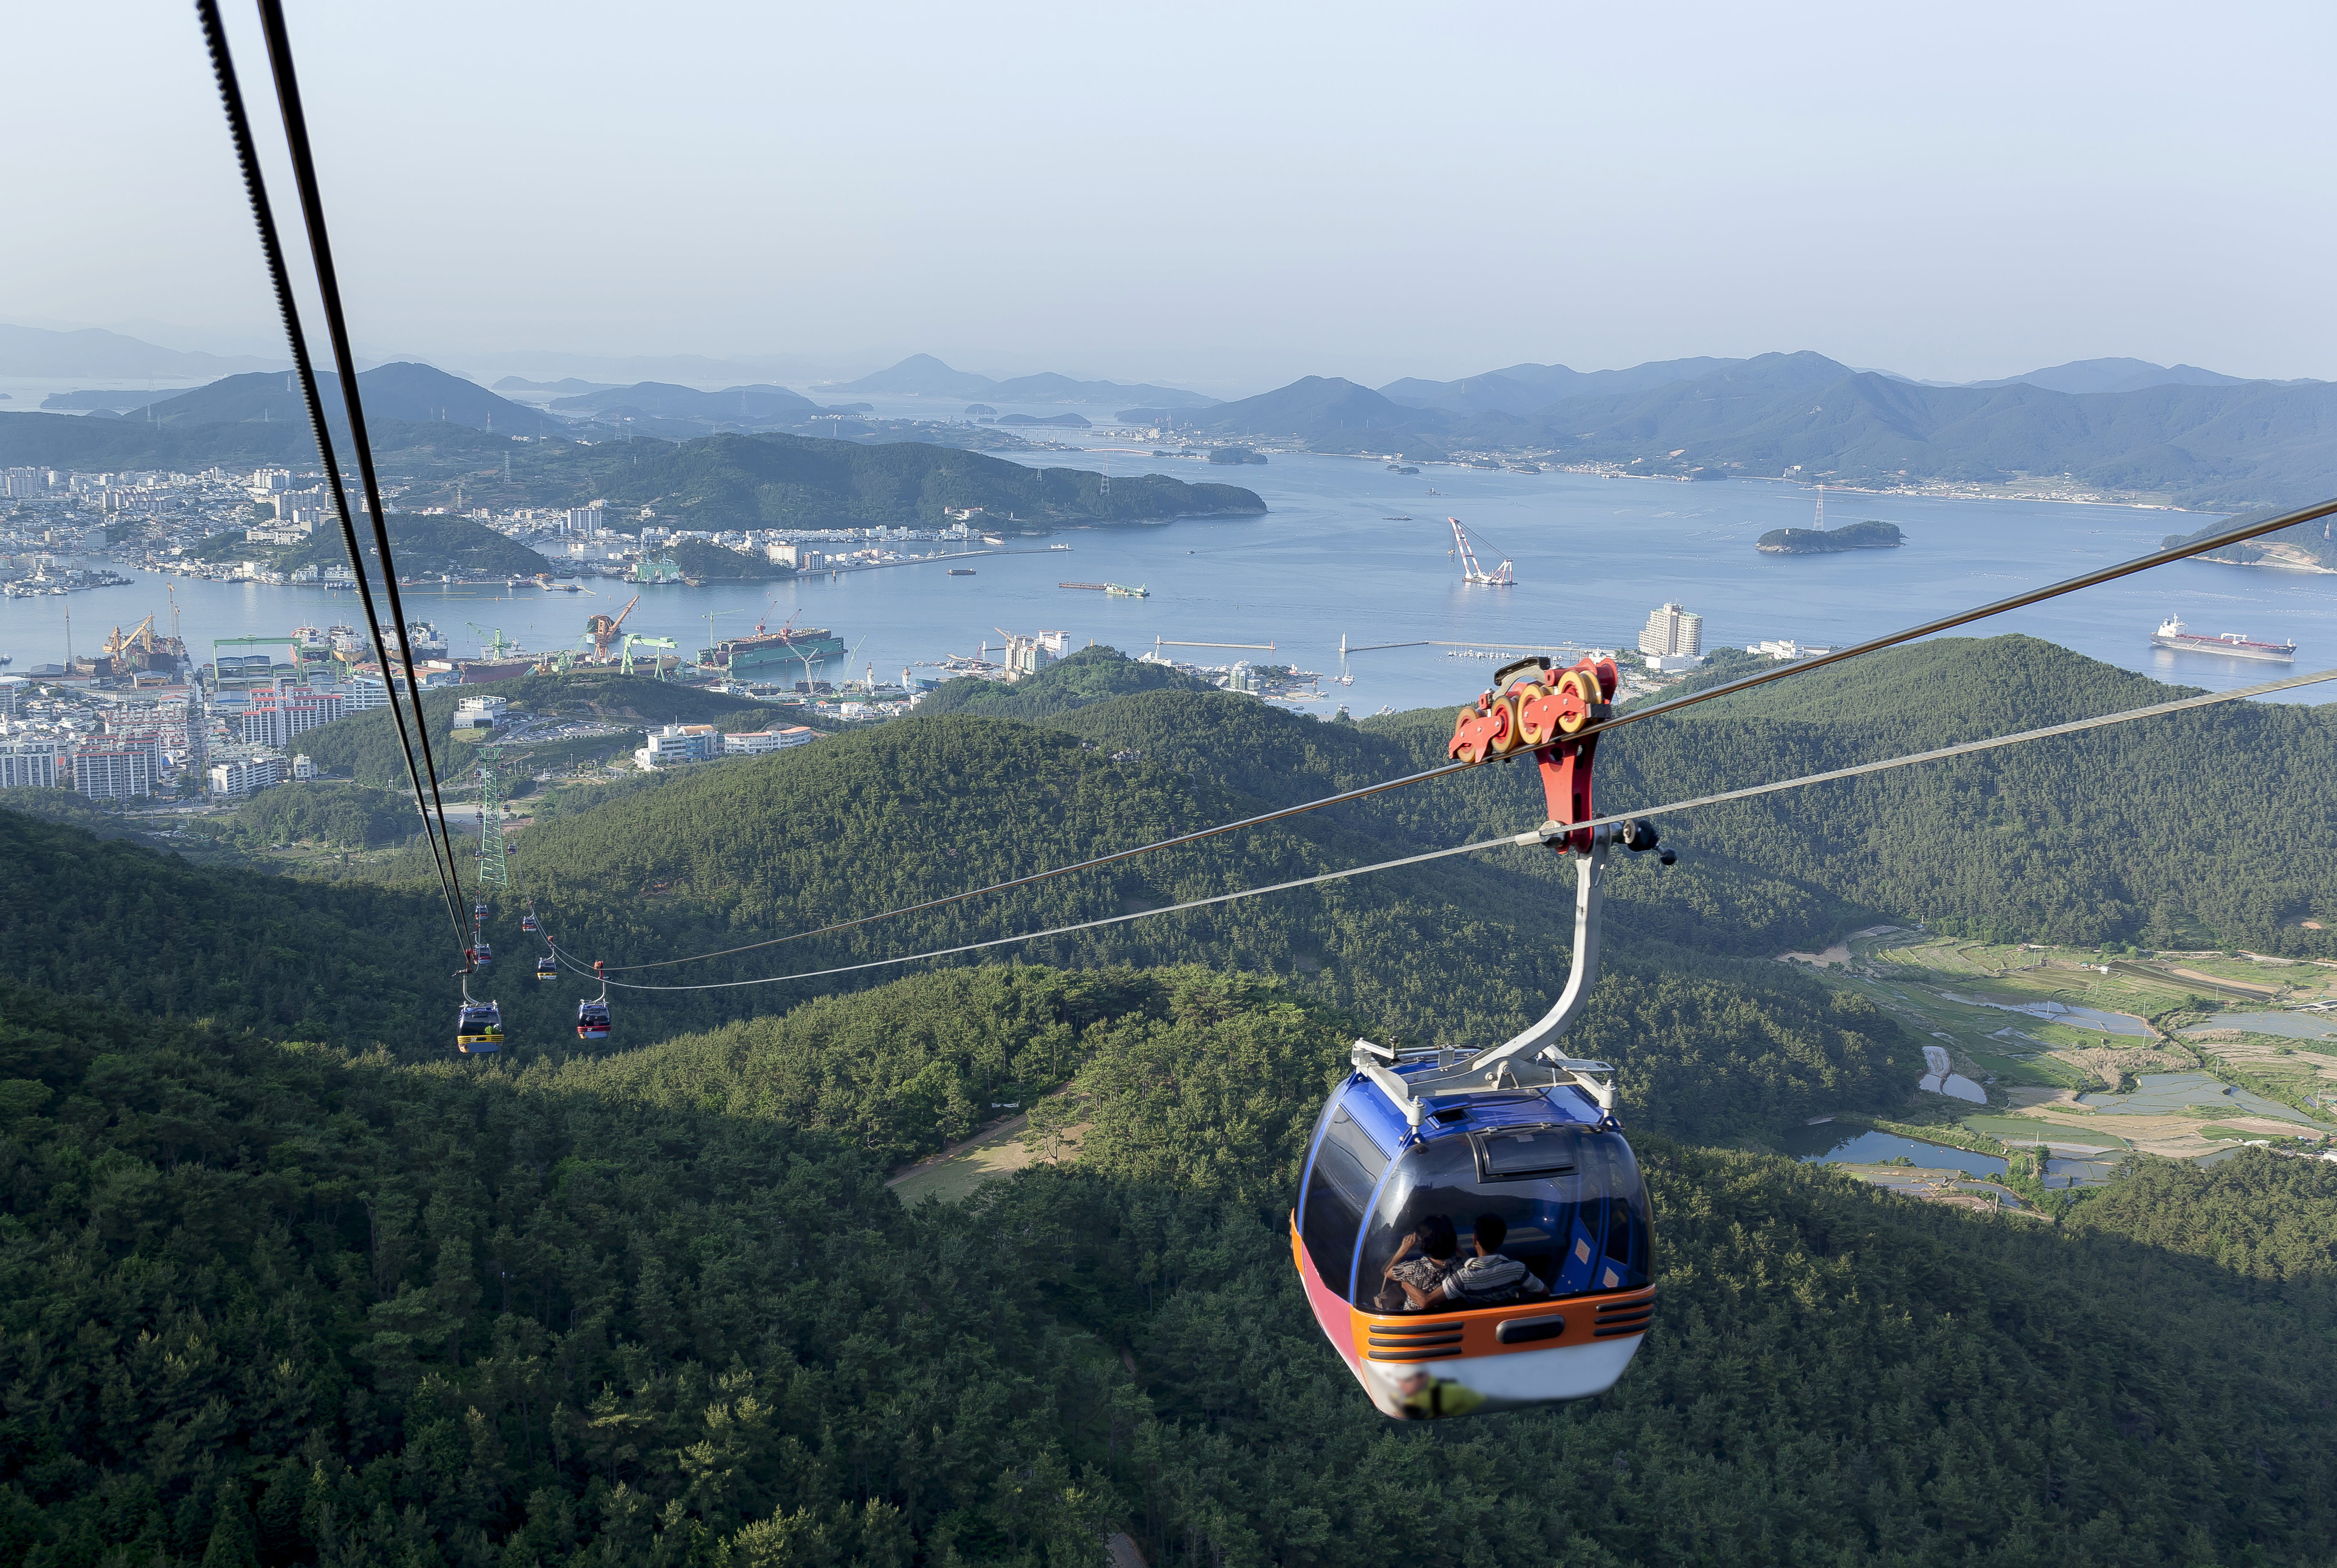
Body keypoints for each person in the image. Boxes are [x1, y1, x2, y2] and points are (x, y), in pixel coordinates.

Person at [1438, 1214, 1549, 1308]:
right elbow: (1545, 1292)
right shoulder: (1518, 1269)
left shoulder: (1461, 1279)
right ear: (1501, 1240)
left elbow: (1428, 1301)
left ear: (1475, 1239)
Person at [1376, 1213, 1460, 1311]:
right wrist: (1453, 1244)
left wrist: (1404, 1249)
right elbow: (1469, 1262)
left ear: (1424, 1244)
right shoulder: (1459, 1267)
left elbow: (1386, 1272)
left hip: (1414, 1317)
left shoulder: (1413, 1269)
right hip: (1447, 1314)